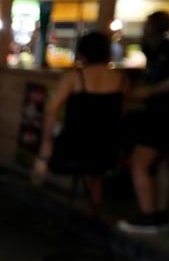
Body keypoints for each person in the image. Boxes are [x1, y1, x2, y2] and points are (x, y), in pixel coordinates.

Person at [31, 31, 128, 217]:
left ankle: (80, 210)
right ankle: (93, 210)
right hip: (107, 147)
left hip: (74, 145)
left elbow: (51, 111)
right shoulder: (121, 79)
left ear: (82, 53)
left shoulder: (74, 77)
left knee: (70, 159)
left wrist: (46, 147)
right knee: (96, 170)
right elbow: (121, 114)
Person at [117, 3, 169, 234]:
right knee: (163, 166)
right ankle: (160, 215)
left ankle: (148, 216)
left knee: (139, 163)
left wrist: (146, 92)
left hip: (161, 114)